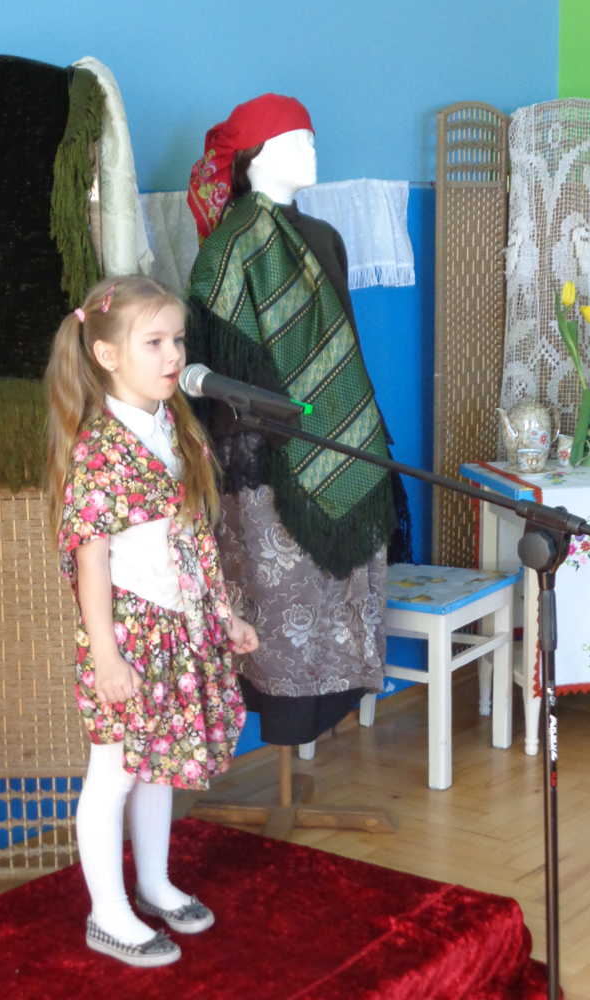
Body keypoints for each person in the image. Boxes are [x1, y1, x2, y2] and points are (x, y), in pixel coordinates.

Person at [45, 275, 257, 967]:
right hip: (130, 636)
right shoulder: (101, 448)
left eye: (178, 341)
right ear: (107, 355)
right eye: (155, 342)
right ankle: (108, 914)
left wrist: (223, 614)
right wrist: (106, 656)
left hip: (179, 627)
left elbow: (193, 540)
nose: (174, 356)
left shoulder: (174, 428)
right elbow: (91, 563)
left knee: (158, 764)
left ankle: (155, 882)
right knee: (114, 773)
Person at [185, 94, 410, 749]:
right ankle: (283, 725)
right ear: (254, 155)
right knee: (284, 609)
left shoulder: (326, 237)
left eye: (311, 137)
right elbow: (215, 370)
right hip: (267, 465)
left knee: (341, 599)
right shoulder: (226, 251)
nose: (312, 150)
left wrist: (348, 430)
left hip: (346, 444)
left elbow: (345, 348)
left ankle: (331, 708)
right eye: (296, 140)